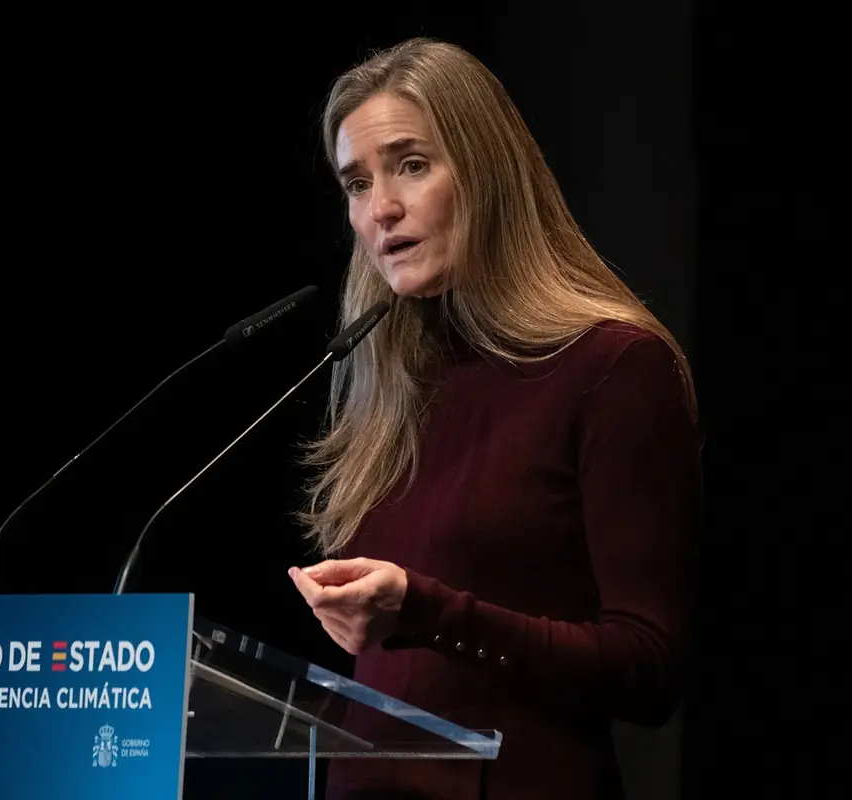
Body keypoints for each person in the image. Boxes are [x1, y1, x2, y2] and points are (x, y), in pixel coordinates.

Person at [286, 38, 703, 800]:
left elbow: (650, 670)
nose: (380, 208)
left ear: (485, 173)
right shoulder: (390, 388)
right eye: (356, 181)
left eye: (411, 165)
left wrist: (426, 609)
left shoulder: (612, 368)